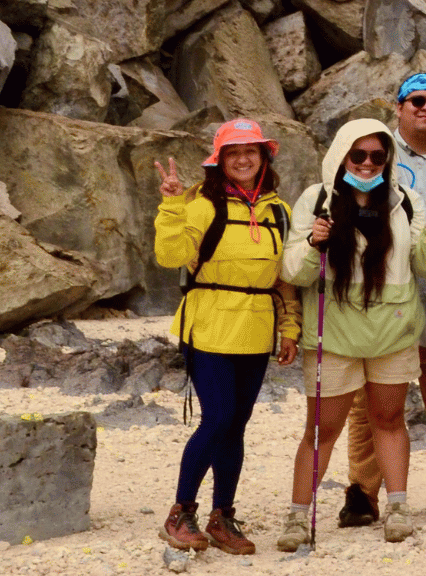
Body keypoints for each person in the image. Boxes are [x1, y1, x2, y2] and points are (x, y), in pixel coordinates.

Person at [275, 120, 426, 552]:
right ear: (341, 156)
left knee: (389, 420)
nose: (369, 163)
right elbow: (292, 271)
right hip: (333, 332)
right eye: (359, 155)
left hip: (392, 329)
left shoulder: (405, 201)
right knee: (321, 428)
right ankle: (298, 517)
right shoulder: (316, 201)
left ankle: (399, 508)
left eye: (378, 155)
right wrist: (314, 244)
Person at [338, 73, 426, 528]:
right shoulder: (373, 154)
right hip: (383, 296)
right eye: (415, 100)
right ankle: (363, 493)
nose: (425, 108)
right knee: (372, 401)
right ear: (397, 107)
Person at [153, 120, 299, 555]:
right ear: (219, 159)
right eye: (232, 151)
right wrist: (173, 205)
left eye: (250, 150)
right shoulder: (202, 204)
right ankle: (180, 513)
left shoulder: (279, 209)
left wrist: (289, 327)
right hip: (210, 324)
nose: (242, 158)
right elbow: (170, 256)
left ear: (264, 156)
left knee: (235, 425)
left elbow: (284, 279)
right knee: (216, 420)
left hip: (256, 329)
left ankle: (223, 516)